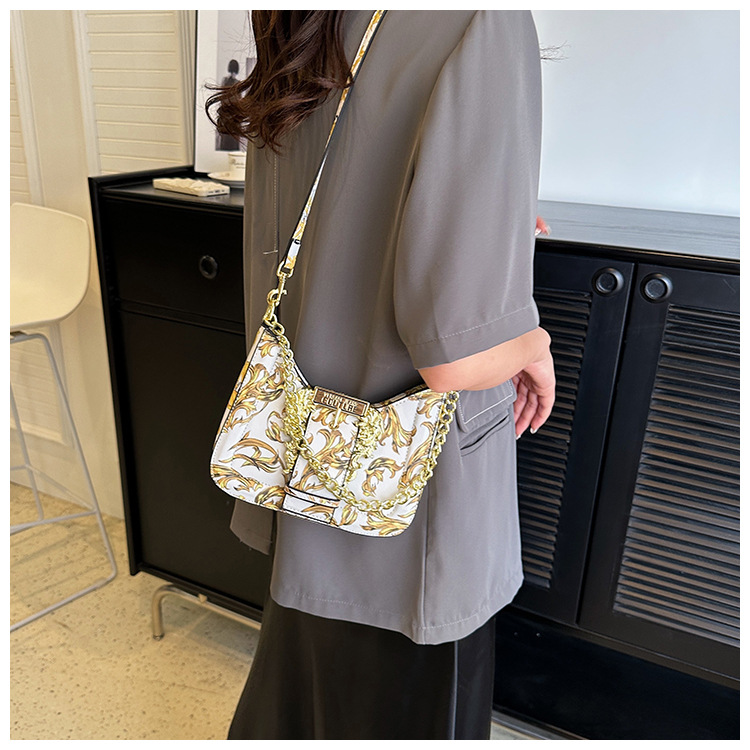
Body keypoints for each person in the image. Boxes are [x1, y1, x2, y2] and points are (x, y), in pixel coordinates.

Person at [208, 10, 555, 740]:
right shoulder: (480, 21)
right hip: (407, 509)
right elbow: (458, 358)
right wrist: (533, 343)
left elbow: (334, 206)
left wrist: (484, 225)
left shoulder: (304, 18)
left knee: (303, 711)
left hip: (300, 468)